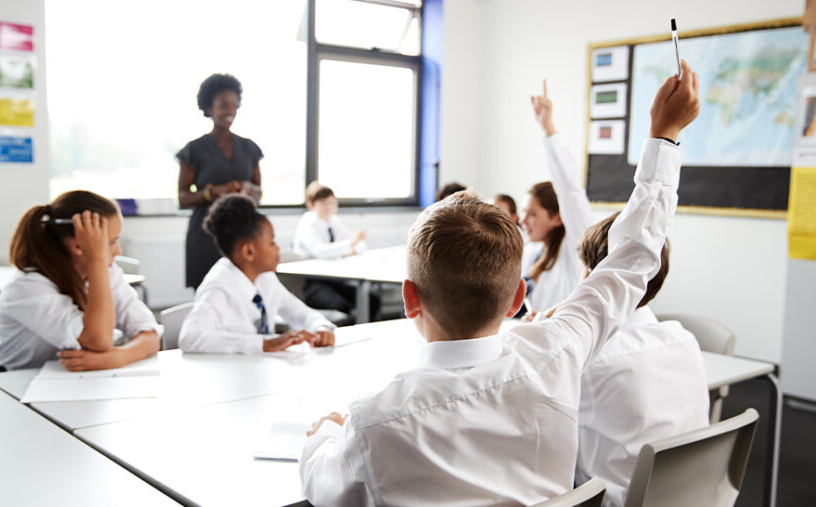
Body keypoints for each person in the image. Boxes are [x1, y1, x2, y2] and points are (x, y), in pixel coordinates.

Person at [298, 60, 699, 505]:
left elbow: (322, 486)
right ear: (517, 298)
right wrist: (664, 135)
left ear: (409, 298)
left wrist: (322, 436)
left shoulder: (373, 424)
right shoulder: (556, 351)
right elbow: (633, 256)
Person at [573, 212, 709, 507]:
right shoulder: (683, 338)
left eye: (586, 266)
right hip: (689, 495)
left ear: (598, 276)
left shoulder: (593, 360)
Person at [0, 191, 162, 371]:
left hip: (73, 380)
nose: (118, 252)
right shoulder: (26, 286)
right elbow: (99, 340)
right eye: (111, 242)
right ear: (78, 246)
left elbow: (150, 334)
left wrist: (119, 357)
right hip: (16, 382)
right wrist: (97, 260)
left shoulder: (107, 272)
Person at [179, 195, 337, 353]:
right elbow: (190, 337)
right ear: (248, 251)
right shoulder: (219, 287)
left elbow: (300, 313)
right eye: (271, 242)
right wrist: (264, 344)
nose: (277, 248)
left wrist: (320, 327)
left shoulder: (265, 277)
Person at [177, 73, 264, 289]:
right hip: (206, 236)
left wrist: (246, 190)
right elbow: (182, 198)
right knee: (208, 294)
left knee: (245, 293)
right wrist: (213, 192)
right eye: (224, 105)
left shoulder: (250, 148)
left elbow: (259, 192)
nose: (231, 111)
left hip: (243, 231)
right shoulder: (194, 150)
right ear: (208, 108)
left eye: (235, 105)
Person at [521, 80, 597, 313]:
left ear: (557, 217)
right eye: (524, 213)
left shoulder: (575, 248)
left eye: (532, 214)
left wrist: (547, 126)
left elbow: (570, 190)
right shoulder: (533, 252)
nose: (523, 221)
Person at [292, 181, 378, 320]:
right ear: (311, 205)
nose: (329, 207)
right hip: (315, 282)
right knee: (340, 306)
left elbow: (359, 245)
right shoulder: (307, 223)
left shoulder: (334, 221)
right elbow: (320, 251)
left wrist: (351, 246)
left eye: (332, 202)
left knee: (371, 299)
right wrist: (350, 245)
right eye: (323, 203)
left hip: (336, 279)